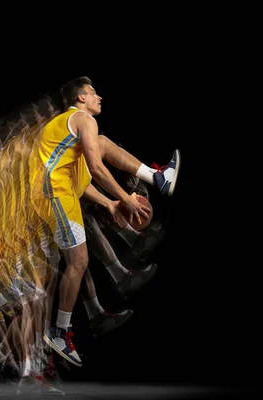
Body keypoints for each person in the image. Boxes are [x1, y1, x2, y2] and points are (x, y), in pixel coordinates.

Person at [28, 76, 180, 368]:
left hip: (60, 194)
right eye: (93, 93)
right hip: (56, 198)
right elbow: (96, 168)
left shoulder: (65, 128)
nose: (100, 97)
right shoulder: (83, 119)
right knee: (78, 262)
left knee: (101, 144)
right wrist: (125, 198)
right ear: (81, 98)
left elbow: (81, 179)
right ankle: (59, 332)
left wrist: (110, 202)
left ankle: (158, 179)